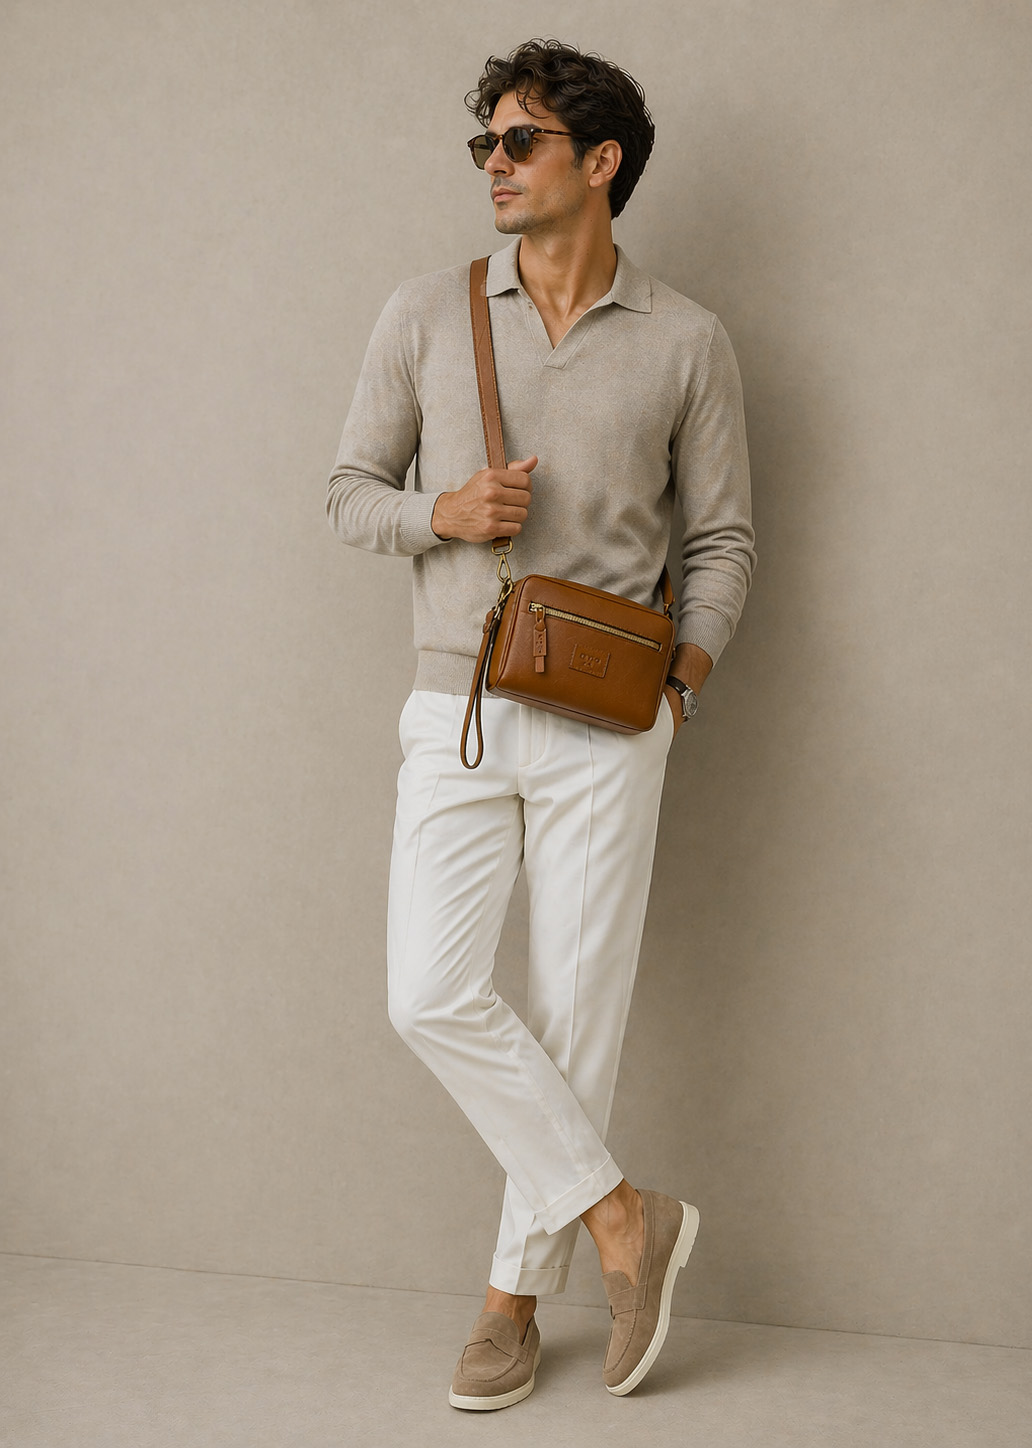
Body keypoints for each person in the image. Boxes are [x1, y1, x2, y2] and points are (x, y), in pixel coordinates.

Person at [327, 38, 754, 1409]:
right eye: (487, 145)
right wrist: (442, 513)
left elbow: (723, 540)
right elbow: (347, 492)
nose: (495, 166)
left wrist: (680, 686)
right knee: (427, 992)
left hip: (610, 722)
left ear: (600, 160)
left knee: (576, 1021)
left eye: (521, 141)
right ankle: (625, 1219)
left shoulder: (685, 339)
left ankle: (511, 1301)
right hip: (454, 707)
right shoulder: (426, 312)